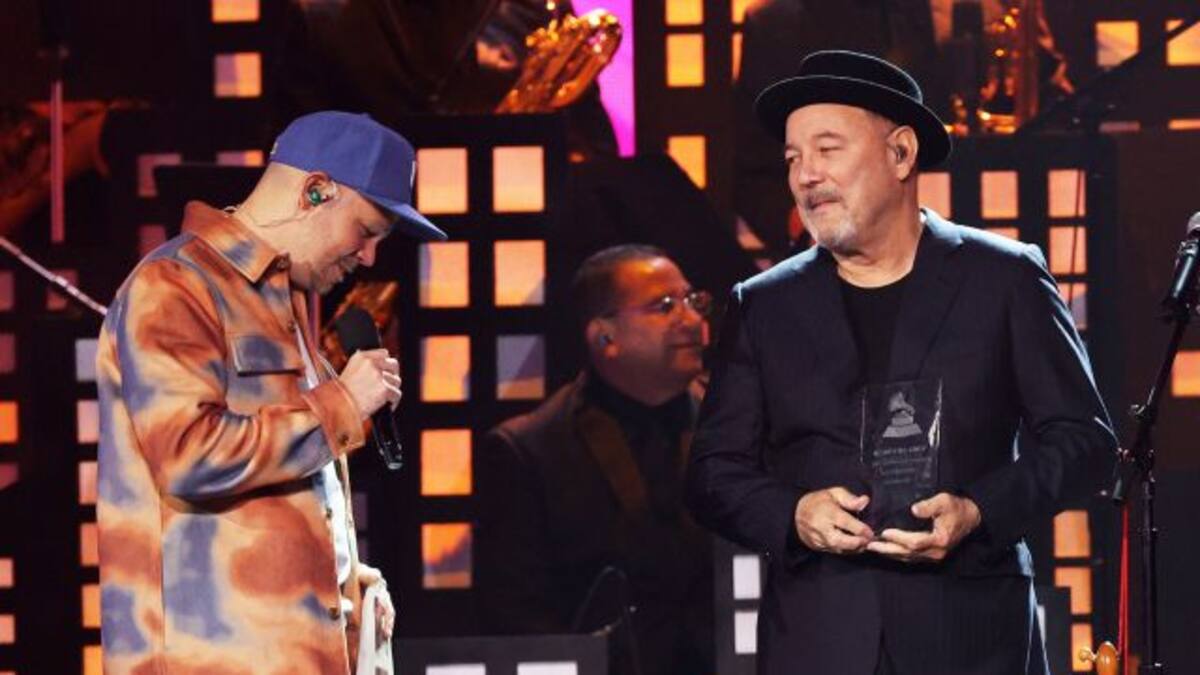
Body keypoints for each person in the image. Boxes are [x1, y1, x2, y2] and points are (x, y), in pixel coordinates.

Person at [686, 51, 1117, 674]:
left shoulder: (1004, 279)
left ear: (901, 154)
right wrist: (794, 514)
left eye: (827, 149)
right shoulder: (764, 304)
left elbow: (1085, 443)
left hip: (972, 640)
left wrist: (978, 510)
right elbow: (712, 474)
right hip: (818, 642)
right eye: (792, 158)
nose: (806, 176)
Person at [96, 111, 447, 674]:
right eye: (366, 231)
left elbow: (275, 504)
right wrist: (342, 405)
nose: (368, 257)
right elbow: (188, 457)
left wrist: (345, 587)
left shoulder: (287, 303)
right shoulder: (177, 285)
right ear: (315, 191)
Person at [475, 245, 715, 675]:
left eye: (693, 300)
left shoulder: (734, 425)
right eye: (665, 306)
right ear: (605, 337)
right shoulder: (529, 450)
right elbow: (518, 616)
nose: (692, 319)